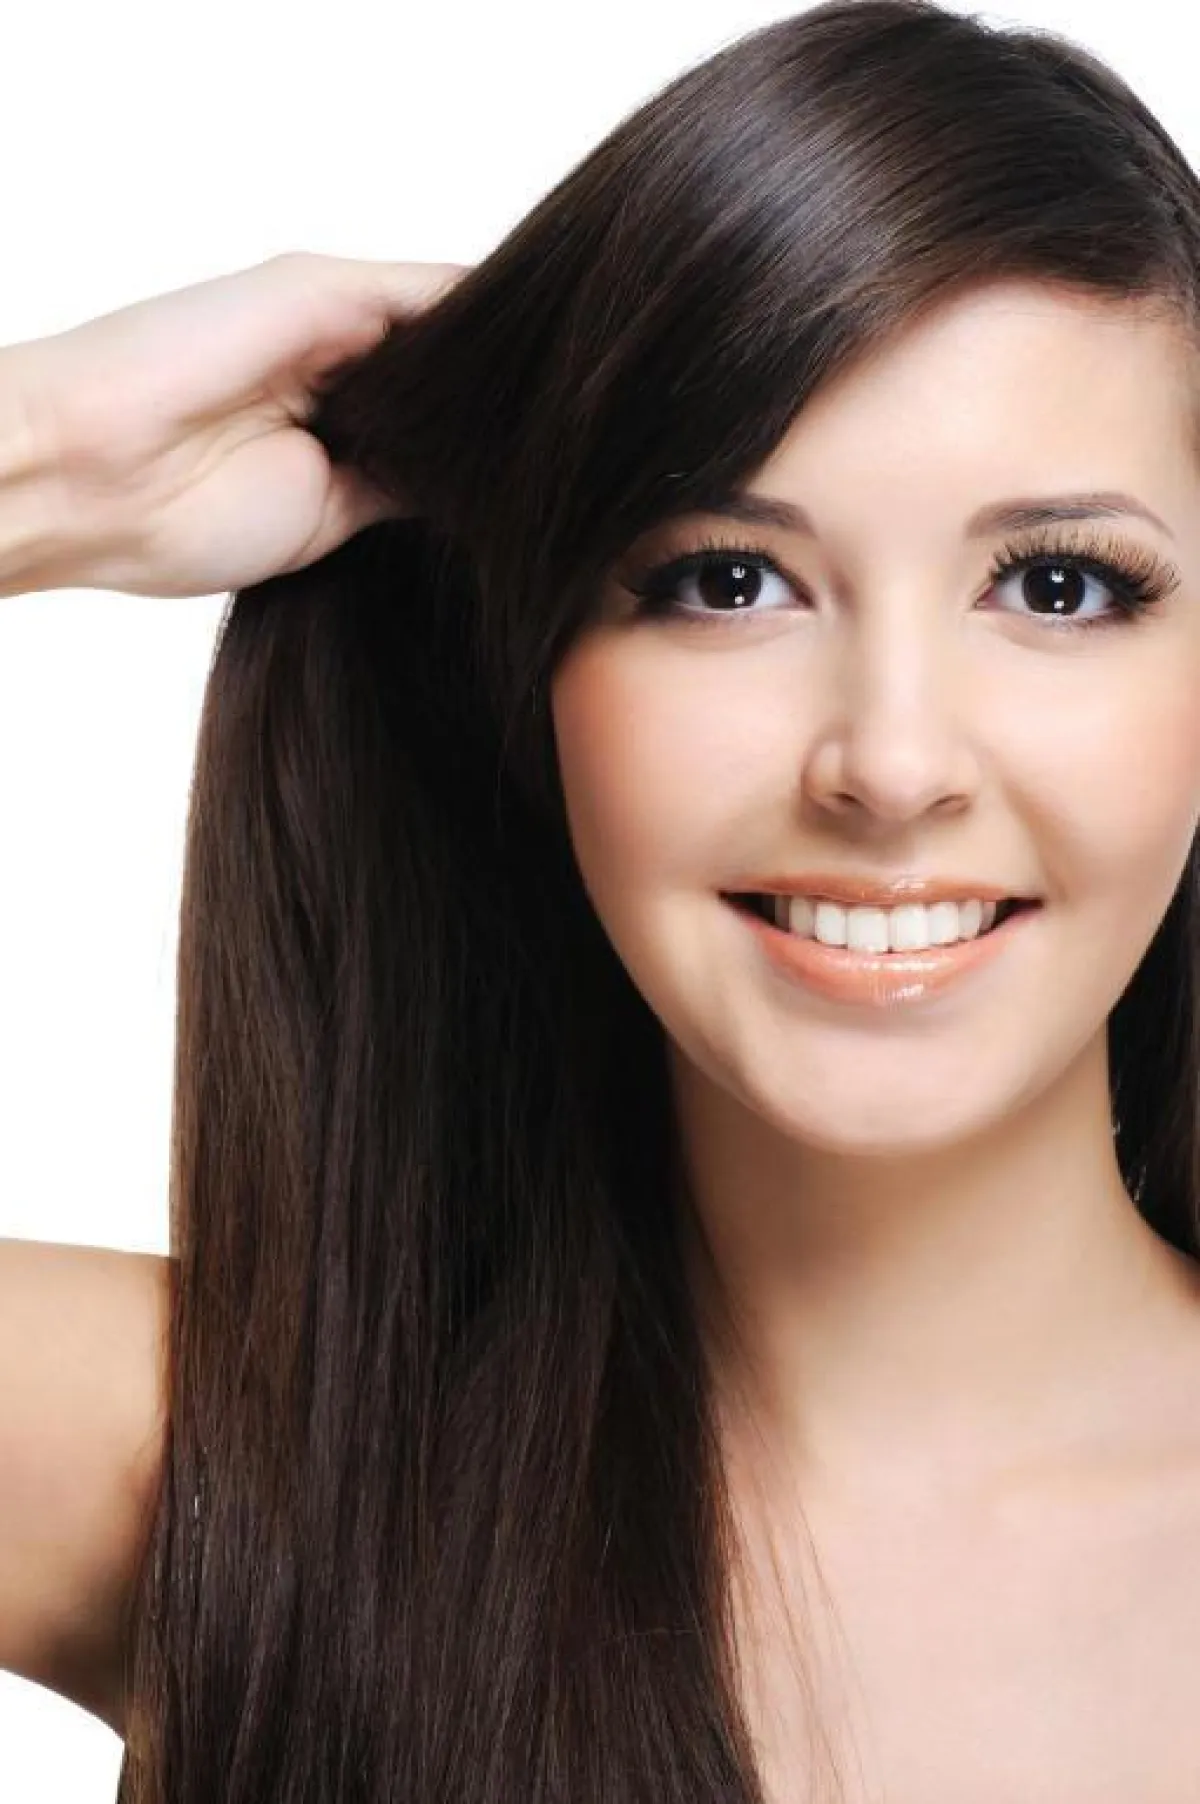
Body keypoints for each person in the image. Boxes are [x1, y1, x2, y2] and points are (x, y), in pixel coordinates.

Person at [3, 1, 1200, 1797]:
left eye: (1057, 586)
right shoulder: (227, 1465)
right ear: (533, 670)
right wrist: (40, 457)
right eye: (727, 580)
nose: (889, 764)